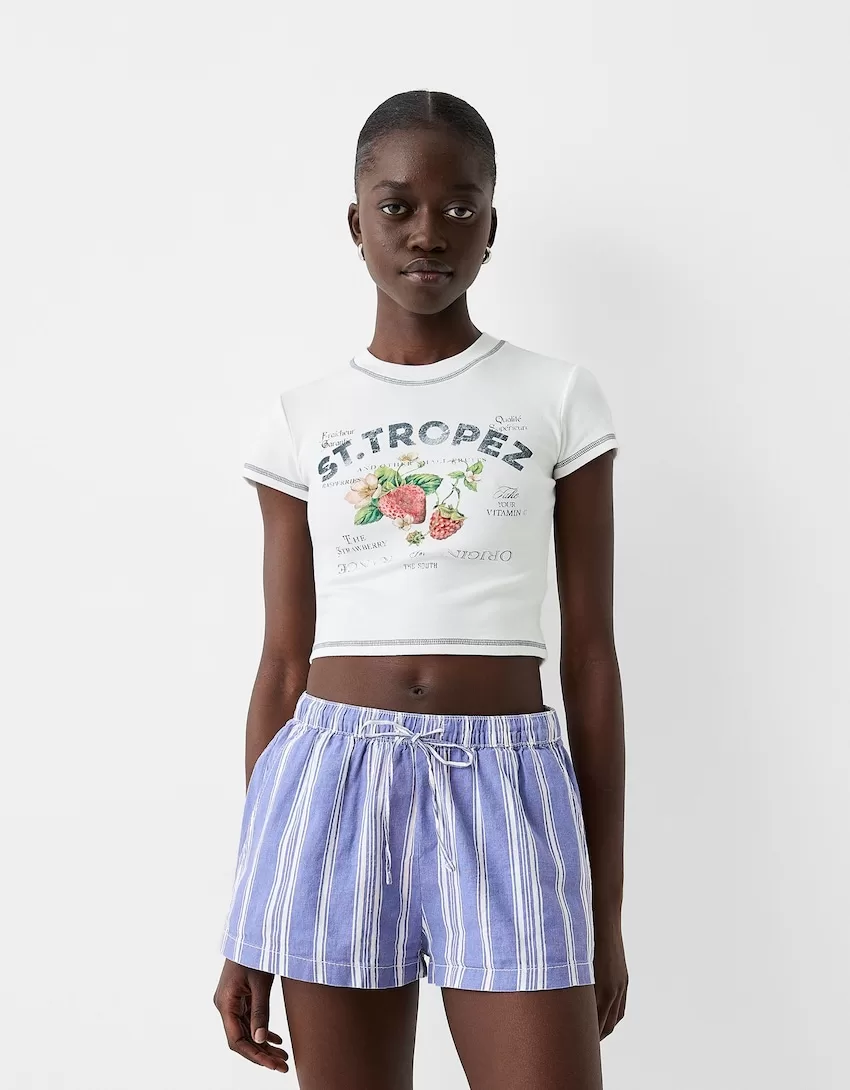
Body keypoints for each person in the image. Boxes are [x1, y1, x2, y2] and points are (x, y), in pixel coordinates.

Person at [212, 89, 628, 1089]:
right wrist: (253, 910)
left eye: (459, 206)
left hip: (509, 786)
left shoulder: (558, 397)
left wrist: (603, 910)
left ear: (492, 224)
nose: (428, 231)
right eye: (397, 206)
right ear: (357, 222)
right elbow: (282, 663)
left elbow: (590, 659)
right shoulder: (300, 417)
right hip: (331, 788)